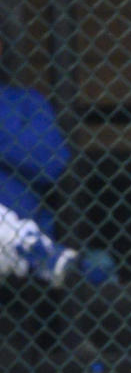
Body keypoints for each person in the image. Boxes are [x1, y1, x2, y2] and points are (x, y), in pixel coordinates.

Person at [0, 33, 115, 288]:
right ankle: (41, 257)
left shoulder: (26, 103)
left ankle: (33, 251)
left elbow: (51, 163)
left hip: (25, 221)